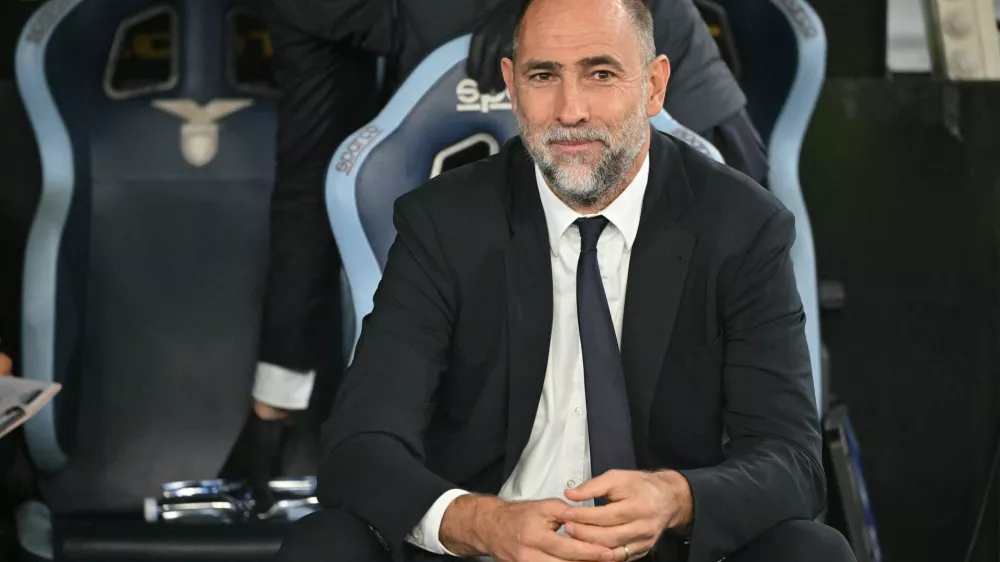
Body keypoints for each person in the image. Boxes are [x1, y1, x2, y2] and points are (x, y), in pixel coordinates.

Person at [273, 0, 851, 561]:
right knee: (323, 544)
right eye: (543, 75)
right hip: (491, 550)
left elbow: (792, 462)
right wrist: (481, 524)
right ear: (512, 85)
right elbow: (357, 447)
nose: (570, 110)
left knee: (812, 551)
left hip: (657, 550)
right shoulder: (442, 223)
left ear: (653, 85)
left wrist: (676, 497)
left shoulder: (741, 226)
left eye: (601, 73)